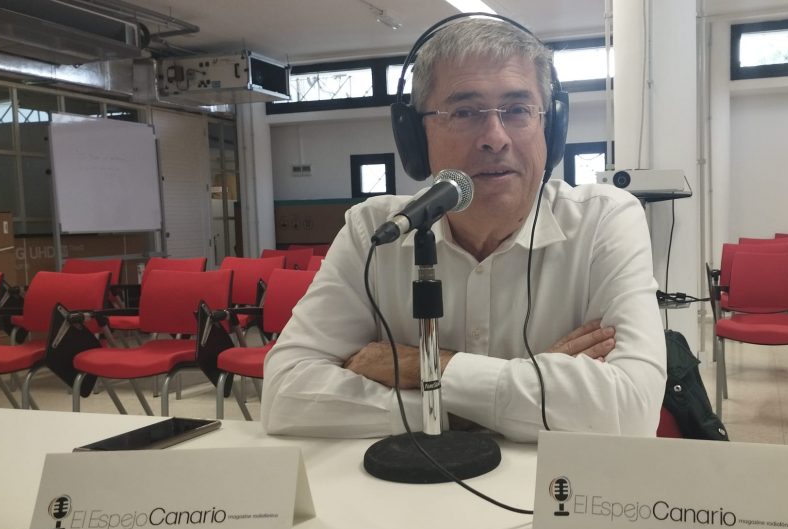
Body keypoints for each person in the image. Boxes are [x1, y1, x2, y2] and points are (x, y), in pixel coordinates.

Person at [261, 17, 666, 442]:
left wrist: (424, 367)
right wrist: (490, 401)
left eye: (518, 110)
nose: (495, 138)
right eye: (465, 112)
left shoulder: (605, 221)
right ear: (417, 136)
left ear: (552, 128)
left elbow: (631, 412)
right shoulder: (373, 231)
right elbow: (285, 394)